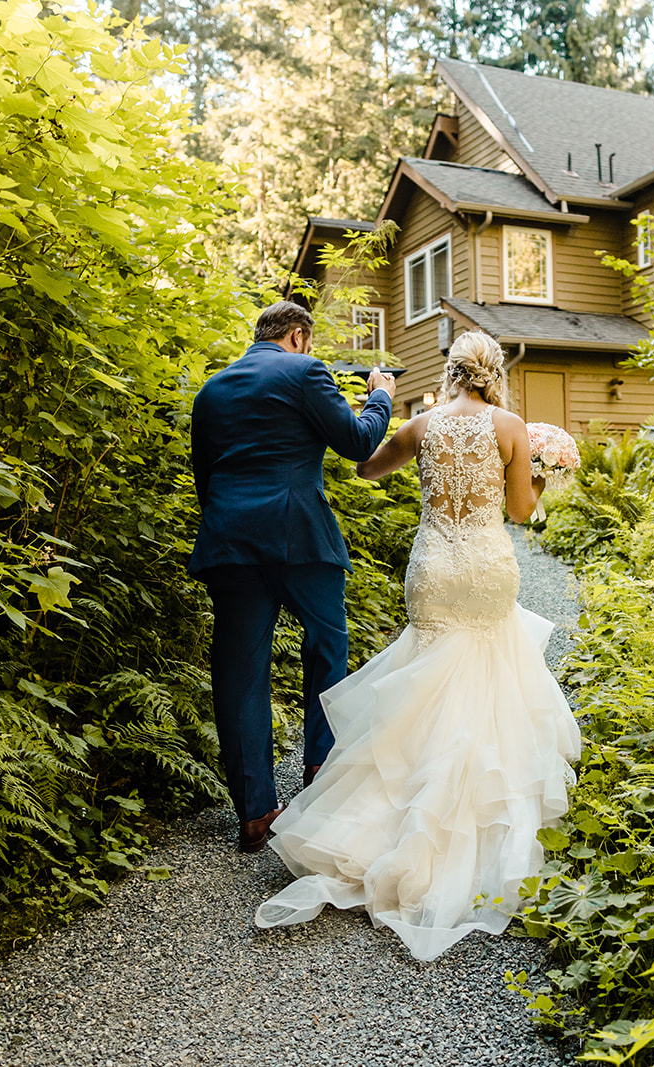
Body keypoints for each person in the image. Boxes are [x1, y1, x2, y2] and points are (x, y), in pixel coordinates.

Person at [253, 330, 582, 961]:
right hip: (486, 566)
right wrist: (541, 475)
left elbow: (365, 466)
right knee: (486, 676)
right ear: (493, 372)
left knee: (427, 672)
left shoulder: (421, 426)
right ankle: (470, 824)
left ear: (451, 371)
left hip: (433, 565)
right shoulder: (511, 427)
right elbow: (519, 514)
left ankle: (380, 822)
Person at [188, 300, 396, 854]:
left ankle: (255, 814)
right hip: (300, 537)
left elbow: (204, 477)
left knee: (239, 675)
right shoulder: (305, 371)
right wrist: (381, 397)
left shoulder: (211, 391)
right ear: (300, 336)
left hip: (230, 541)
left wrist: (229, 528)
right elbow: (356, 440)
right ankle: (320, 777)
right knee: (327, 647)